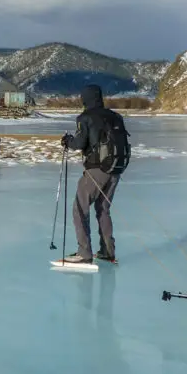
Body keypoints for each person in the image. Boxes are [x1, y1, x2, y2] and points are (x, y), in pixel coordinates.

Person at [59, 84, 130, 265]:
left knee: (79, 208)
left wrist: (68, 141)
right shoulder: (115, 116)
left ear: (85, 98)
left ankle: (84, 254)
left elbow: (81, 143)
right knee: (103, 208)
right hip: (116, 168)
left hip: (97, 169)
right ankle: (107, 251)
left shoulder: (85, 117)